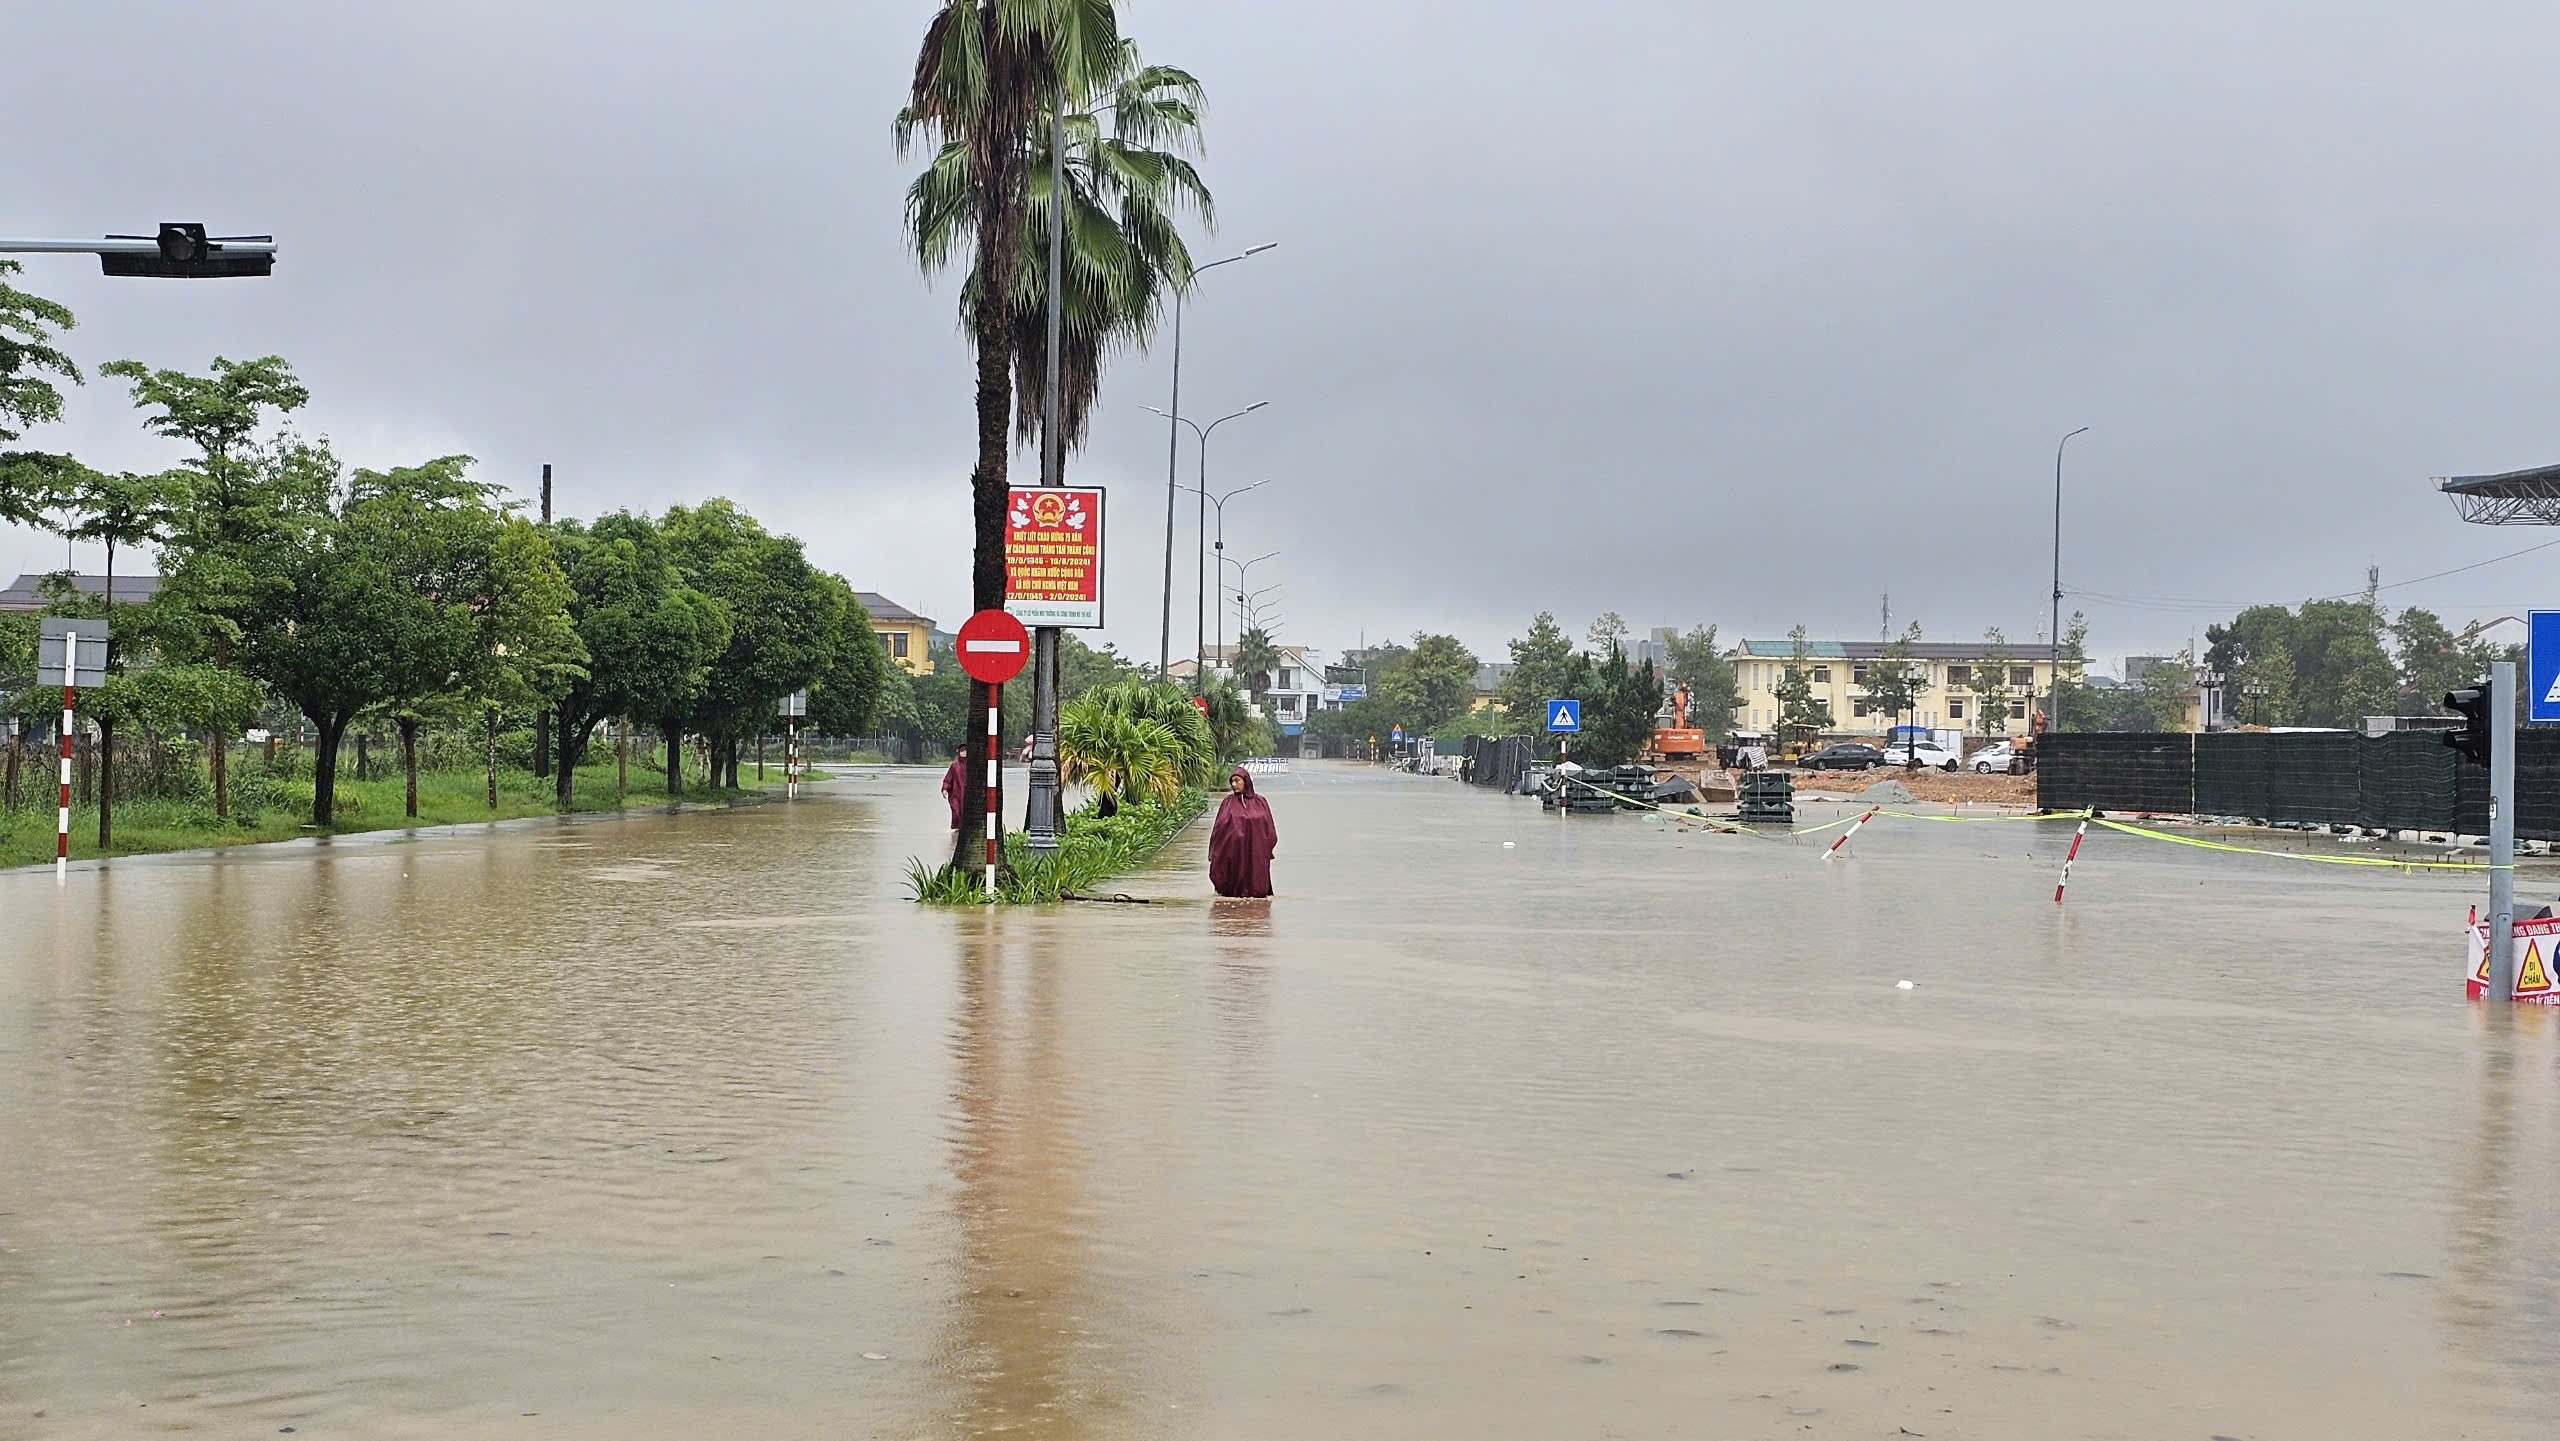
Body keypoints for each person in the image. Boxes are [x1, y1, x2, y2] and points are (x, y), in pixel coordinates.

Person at [1209, 766, 1278, 898]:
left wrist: (1266, 847)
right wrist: (1218, 850)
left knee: (1256, 889)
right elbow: (1219, 829)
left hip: (1255, 852)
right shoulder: (1227, 803)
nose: (1234, 785)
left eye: (1237, 781)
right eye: (1232, 782)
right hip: (1234, 852)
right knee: (1233, 890)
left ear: (1246, 781)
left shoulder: (1260, 802)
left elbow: (1269, 828)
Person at [942, 751, 967, 829]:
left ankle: (962, 830)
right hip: (955, 794)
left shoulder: (972, 766)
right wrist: (945, 789)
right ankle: (955, 832)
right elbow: (948, 778)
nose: (963, 753)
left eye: (965, 751)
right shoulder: (954, 765)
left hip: (967, 794)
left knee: (965, 813)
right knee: (956, 812)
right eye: (962, 751)